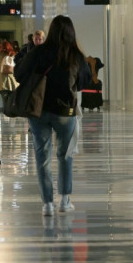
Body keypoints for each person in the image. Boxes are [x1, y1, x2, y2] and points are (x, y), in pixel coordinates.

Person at [15, 15, 91, 216]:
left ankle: (47, 203)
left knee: (42, 156)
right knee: (65, 155)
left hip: (38, 110)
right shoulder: (76, 56)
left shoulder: (39, 52)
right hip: (65, 113)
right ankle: (65, 201)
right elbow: (85, 82)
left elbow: (19, 74)